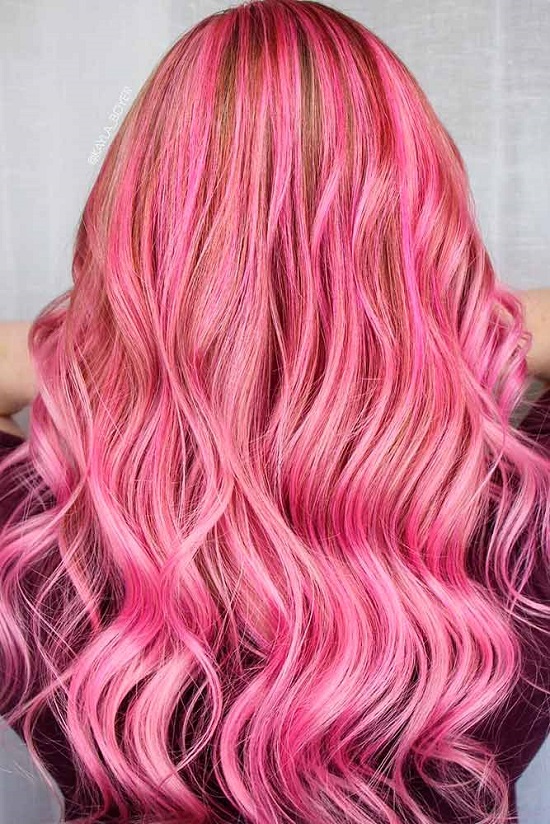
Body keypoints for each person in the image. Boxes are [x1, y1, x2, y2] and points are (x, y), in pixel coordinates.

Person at [1, 1, 550, 822]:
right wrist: (459, 327)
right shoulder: (523, 528)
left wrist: (95, 344)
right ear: (423, 228)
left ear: (136, 224)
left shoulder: (31, 539)